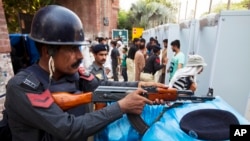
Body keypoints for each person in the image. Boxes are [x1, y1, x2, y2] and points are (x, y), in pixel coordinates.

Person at [4, 5, 167, 141]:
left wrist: (141, 86)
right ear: (48, 51)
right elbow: (68, 128)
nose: (80, 56)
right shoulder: (23, 87)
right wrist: (121, 107)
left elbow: (102, 86)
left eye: (79, 48)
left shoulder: (73, 74)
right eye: (72, 49)